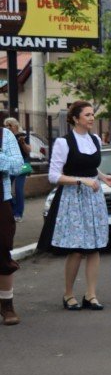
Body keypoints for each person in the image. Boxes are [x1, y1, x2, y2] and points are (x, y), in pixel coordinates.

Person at [37, 101, 111, 311]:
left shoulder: (95, 139)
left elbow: (91, 167)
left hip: (93, 197)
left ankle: (90, 294)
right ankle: (68, 294)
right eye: (88, 115)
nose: (92, 118)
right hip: (74, 198)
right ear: (75, 118)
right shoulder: (64, 143)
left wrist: (102, 176)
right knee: (76, 249)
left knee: (94, 247)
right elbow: (54, 176)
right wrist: (81, 181)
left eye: (93, 114)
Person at [1, 123, 24, 325]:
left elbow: (18, 165)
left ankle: (7, 305)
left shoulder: (5, 135)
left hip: (1, 202)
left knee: (2, 252)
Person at [6, 118, 30, 223]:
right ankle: (12, 209)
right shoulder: (6, 137)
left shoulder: (22, 135)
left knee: (18, 189)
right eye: (6, 125)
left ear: (15, 126)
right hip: (10, 162)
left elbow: (28, 151)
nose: (8, 128)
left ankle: (18, 213)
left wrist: (23, 142)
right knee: (6, 188)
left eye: (9, 125)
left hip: (23, 163)